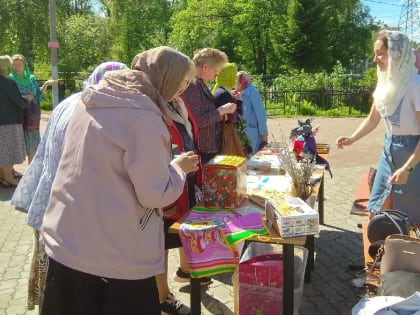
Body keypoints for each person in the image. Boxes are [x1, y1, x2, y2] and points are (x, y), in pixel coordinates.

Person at [40, 46, 198, 315]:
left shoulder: (90, 100)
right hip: (115, 256)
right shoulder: (144, 116)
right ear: (166, 77)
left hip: (67, 243)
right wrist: (178, 168)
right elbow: (154, 194)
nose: (182, 89)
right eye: (181, 81)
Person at [10, 61, 128, 310]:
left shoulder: (70, 102)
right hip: (69, 211)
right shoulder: (93, 109)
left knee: (50, 275)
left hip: (48, 200)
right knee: (66, 284)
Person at [336, 30, 420, 223]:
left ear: (396, 54)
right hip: (389, 154)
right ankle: (385, 252)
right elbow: (373, 118)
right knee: (377, 213)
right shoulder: (385, 84)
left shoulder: (415, 84)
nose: (375, 59)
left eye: (380, 54)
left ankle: (405, 253)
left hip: (414, 158)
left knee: (411, 218)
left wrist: (407, 169)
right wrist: (352, 138)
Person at [181, 48, 237, 165]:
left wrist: (221, 115)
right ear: (205, 67)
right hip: (201, 151)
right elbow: (199, 120)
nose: (216, 76)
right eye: (216, 71)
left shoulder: (199, 84)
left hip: (206, 148)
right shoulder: (191, 86)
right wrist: (222, 110)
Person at [9, 54, 57, 164]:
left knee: (33, 146)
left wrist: (46, 84)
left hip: (31, 117)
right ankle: (9, 175)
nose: (16, 67)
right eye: (14, 65)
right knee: (14, 146)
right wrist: (24, 97)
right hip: (17, 117)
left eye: (19, 65)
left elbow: (38, 96)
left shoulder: (31, 79)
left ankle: (31, 173)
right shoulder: (10, 80)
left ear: (24, 65)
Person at [0, 55, 29, 186]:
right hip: (9, 121)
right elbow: (19, 102)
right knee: (7, 150)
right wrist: (27, 99)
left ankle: (2, 176)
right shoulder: (8, 83)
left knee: (2, 149)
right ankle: (8, 178)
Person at [236, 71, 268, 155]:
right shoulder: (240, 92)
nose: (235, 84)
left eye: (236, 81)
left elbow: (260, 114)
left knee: (254, 158)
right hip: (243, 132)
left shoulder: (252, 92)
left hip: (253, 133)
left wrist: (263, 132)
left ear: (242, 81)